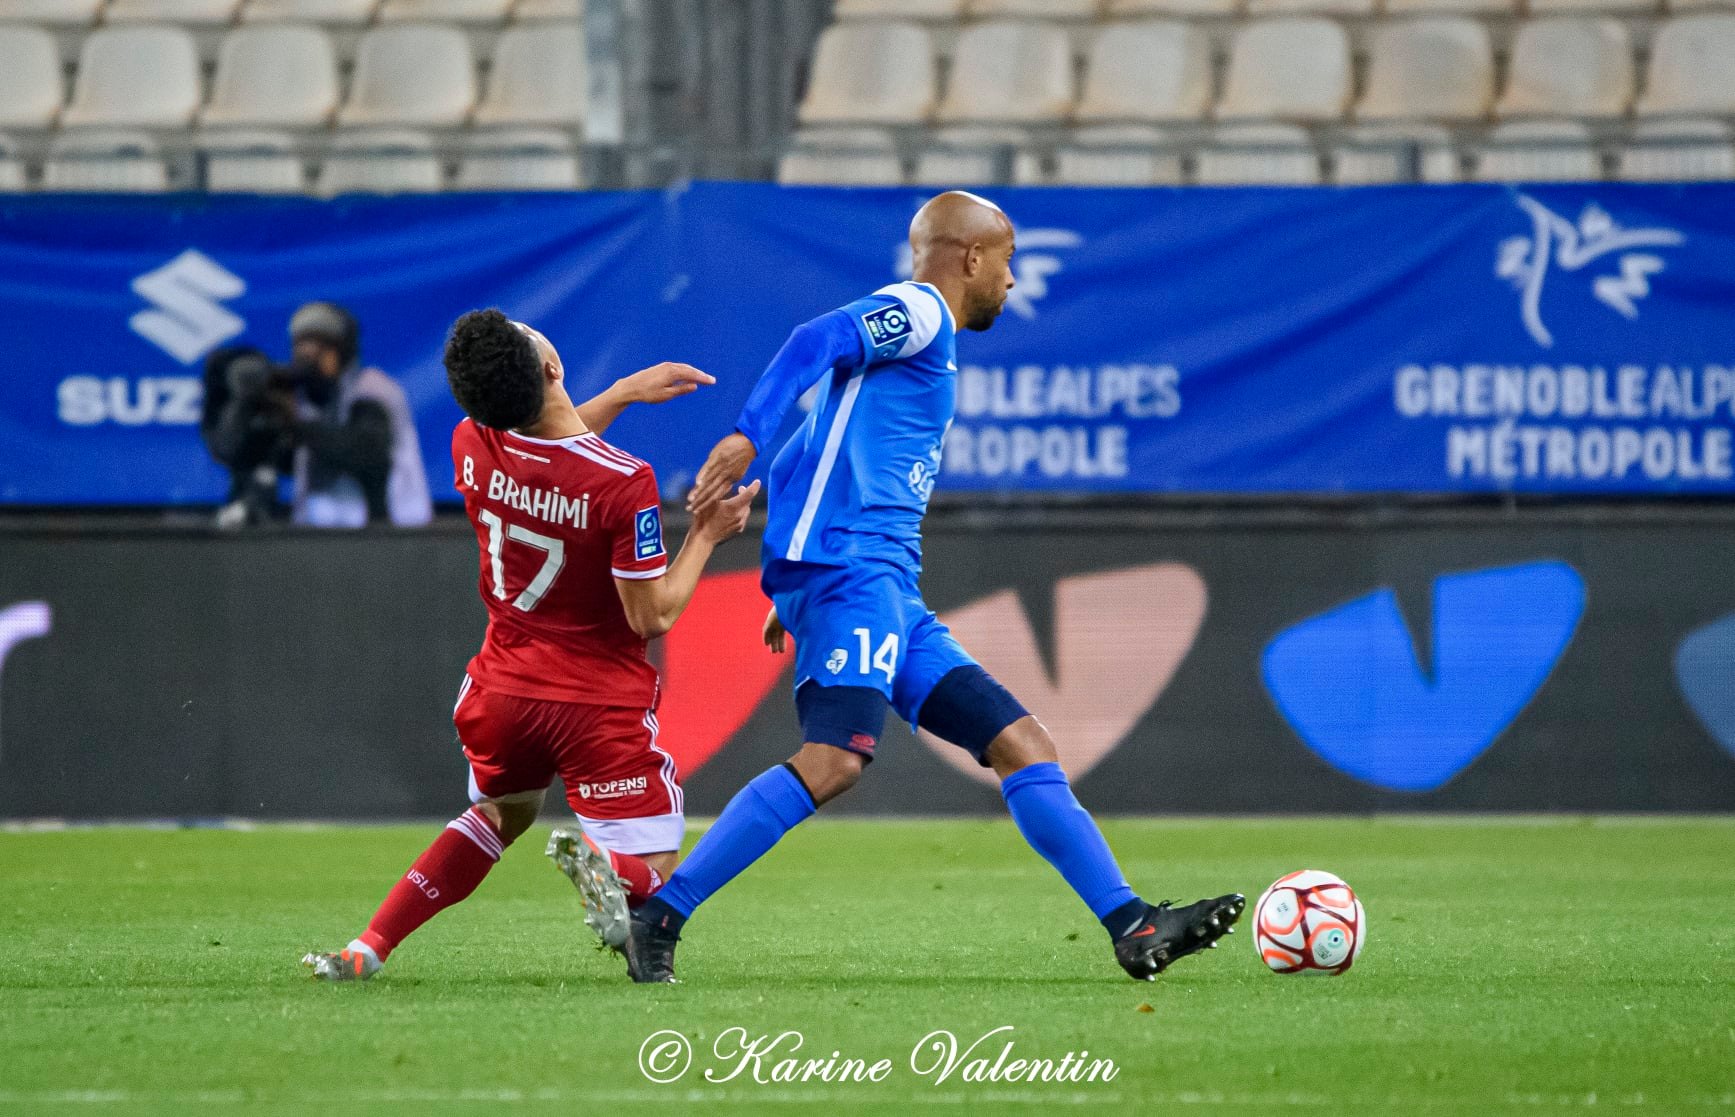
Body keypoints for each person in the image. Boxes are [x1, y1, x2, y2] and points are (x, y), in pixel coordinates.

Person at [618, 191, 1244, 985]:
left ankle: (1132, 923)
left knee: (1022, 745)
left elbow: (807, 450)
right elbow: (814, 341)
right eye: (1008, 259)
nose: (1013, 280)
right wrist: (749, 436)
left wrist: (789, 573)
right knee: (835, 758)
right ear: (972, 257)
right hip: (857, 572)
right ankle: (660, 916)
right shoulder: (917, 310)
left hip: (880, 586)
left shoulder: (915, 349)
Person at [301, 309, 759, 981]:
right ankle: (611, 870)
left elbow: (549, 450)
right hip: (592, 703)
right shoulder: (622, 481)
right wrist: (706, 536)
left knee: (498, 813)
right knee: (657, 876)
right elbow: (650, 615)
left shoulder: (470, 439)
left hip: (501, 691)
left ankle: (370, 944)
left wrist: (623, 393)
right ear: (551, 369)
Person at [284, 301, 433, 529]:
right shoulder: (304, 400)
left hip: (391, 533)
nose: (308, 357)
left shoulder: (372, 389)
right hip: (321, 537)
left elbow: (362, 449)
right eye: (301, 346)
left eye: (319, 347)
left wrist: (295, 427)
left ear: (341, 350)